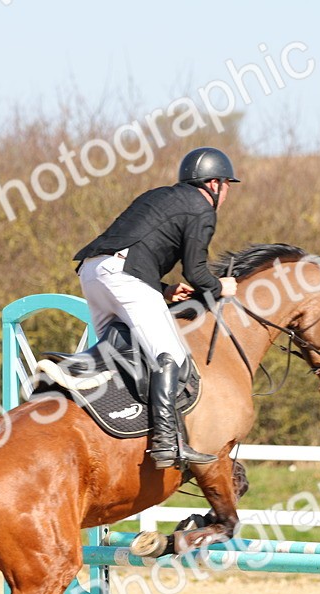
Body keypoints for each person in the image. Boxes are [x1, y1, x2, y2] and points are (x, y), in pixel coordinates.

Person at [72, 146, 240, 469]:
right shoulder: (203, 209)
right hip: (124, 278)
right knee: (171, 355)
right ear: (214, 184)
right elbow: (196, 271)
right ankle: (167, 442)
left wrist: (164, 290)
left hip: (93, 273)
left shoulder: (159, 196)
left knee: (118, 355)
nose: (227, 192)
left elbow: (134, 248)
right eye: (227, 184)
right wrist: (221, 286)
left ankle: (115, 430)